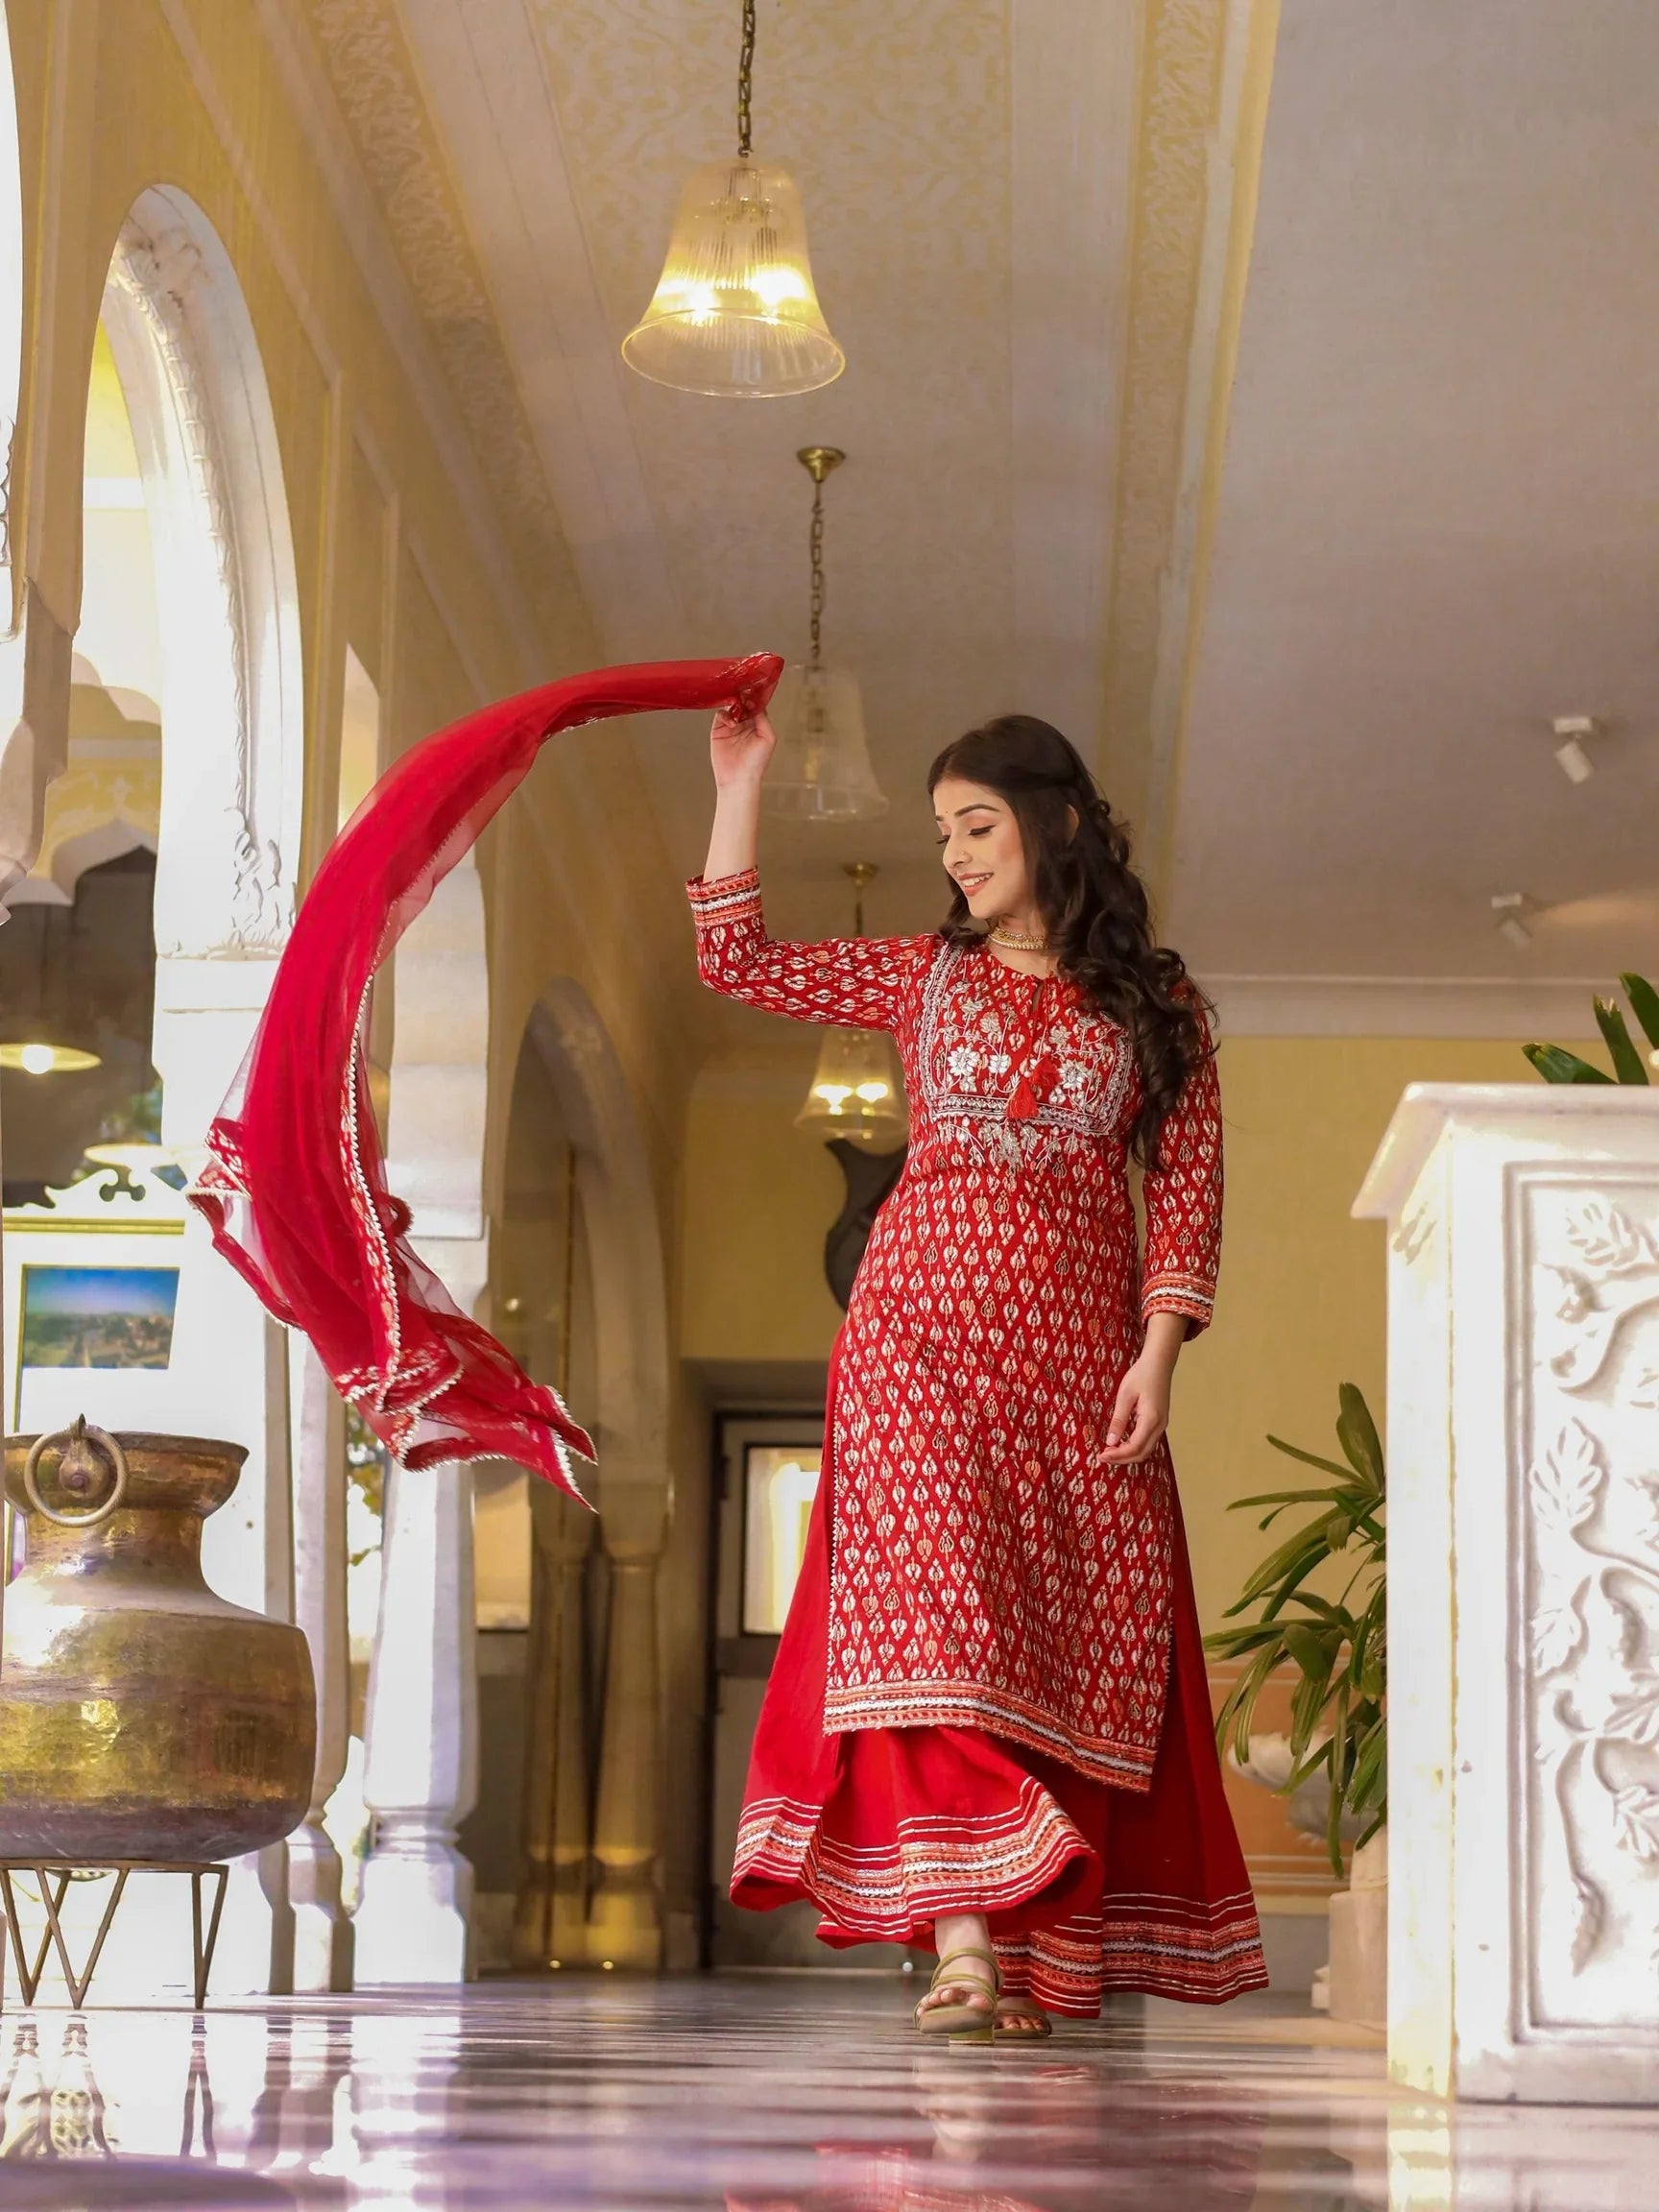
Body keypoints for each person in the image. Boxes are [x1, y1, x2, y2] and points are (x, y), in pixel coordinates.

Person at [688, 705, 1267, 2040]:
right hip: (916, 1333)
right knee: (933, 1625)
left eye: (977, 824)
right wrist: (742, 780)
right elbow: (737, 958)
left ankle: (1036, 1952)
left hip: (1077, 1355)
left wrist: (1160, 1354)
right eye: (941, 831)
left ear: (1055, 821)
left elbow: (1187, 1191)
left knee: (1060, 1637)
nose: (952, 853)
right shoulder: (921, 975)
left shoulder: (1157, 1002)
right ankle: (964, 1951)